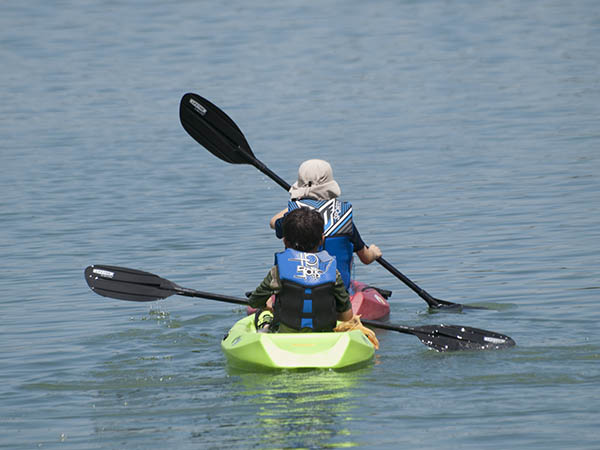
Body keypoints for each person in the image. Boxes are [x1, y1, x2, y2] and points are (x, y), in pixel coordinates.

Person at [270, 159, 382, 291]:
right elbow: (366, 258)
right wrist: (373, 253)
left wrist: (294, 207)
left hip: (295, 294)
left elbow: (273, 222)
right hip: (336, 294)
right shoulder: (343, 219)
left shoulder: (294, 220)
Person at [249, 207, 353, 333]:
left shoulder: (278, 272)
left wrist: (267, 305)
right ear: (322, 240)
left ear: (285, 241)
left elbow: (254, 302)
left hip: (284, 336)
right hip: (325, 337)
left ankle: (265, 326)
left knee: (261, 313)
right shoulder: (333, 273)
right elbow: (347, 315)